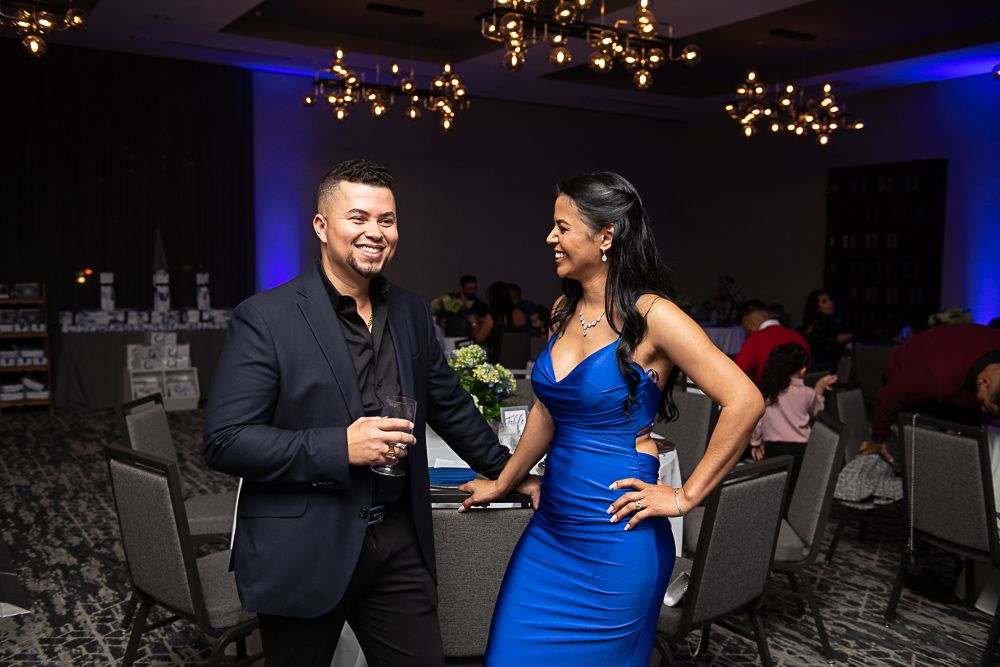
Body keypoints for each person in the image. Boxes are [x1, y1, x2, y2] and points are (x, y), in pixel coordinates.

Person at [203, 159, 538, 667]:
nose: (375, 233)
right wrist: (340, 446)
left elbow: (449, 407)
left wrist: (512, 474)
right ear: (321, 226)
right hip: (305, 544)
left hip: (399, 538)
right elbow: (225, 440)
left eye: (387, 220)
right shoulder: (266, 318)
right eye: (358, 218)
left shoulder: (409, 311)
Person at [458, 172, 763, 665]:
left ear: (606, 236)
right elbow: (546, 411)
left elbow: (745, 400)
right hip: (551, 535)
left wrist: (685, 497)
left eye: (561, 227)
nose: (549, 238)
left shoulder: (654, 316)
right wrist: (503, 480)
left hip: (617, 542)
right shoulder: (564, 309)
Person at [860, 322, 1000, 463]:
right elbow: (887, 398)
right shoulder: (936, 375)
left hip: (954, 379)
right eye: (983, 403)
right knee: (925, 456)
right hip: (904, 376)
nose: (983, 409)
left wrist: (958, 427)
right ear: (984, 382)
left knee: (972, 447)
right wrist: (877, 439)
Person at [750, 343, 837, 488]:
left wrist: (756, 443)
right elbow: (817, 410)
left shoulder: (768, 392)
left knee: (771, 490)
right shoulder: (807, 393)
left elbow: (759, 421)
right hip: (802, 452)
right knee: (798, 489)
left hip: (773, 450)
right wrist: (820, 388)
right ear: (802, 370)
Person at [734, 299, 811, 383]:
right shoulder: (797, 337)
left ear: (748, 322)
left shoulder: (755, 340)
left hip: (768, 393)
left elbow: (737, 372)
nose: (746, 332)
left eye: (744, 328)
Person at [800, 289, 853, 369]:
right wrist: (836, 340)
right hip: (821, 367)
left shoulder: (833, 320)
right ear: (817, 307)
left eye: (830, 300)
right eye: (824, 302)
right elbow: (816, 349)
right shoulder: (815, 324)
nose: (830, 303)